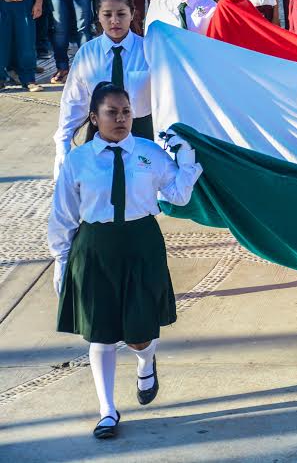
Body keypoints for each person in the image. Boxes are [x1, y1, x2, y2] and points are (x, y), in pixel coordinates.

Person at [49, 82, 202, 439]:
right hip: (95, 248)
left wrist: (186, 160)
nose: (121, 119)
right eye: (112, 112)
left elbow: (178, 196)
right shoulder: (78, 160)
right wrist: (61, 260)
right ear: (94, 117)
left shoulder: (149, 153)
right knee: (100, 334)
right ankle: (107, 411)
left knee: (140, 332)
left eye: (126, 112)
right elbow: (63, 214)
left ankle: (146, 363)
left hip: (141, 245)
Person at [54, 0, 152, 179]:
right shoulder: (87, 53)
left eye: (121, 14)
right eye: (107, 14)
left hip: (141, 135)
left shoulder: (148, 50)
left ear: (132, 14)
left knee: (141, 191)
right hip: (100, 136)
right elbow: (73, 101)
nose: (114, 20)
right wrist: (63, 144)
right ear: (98, 15)